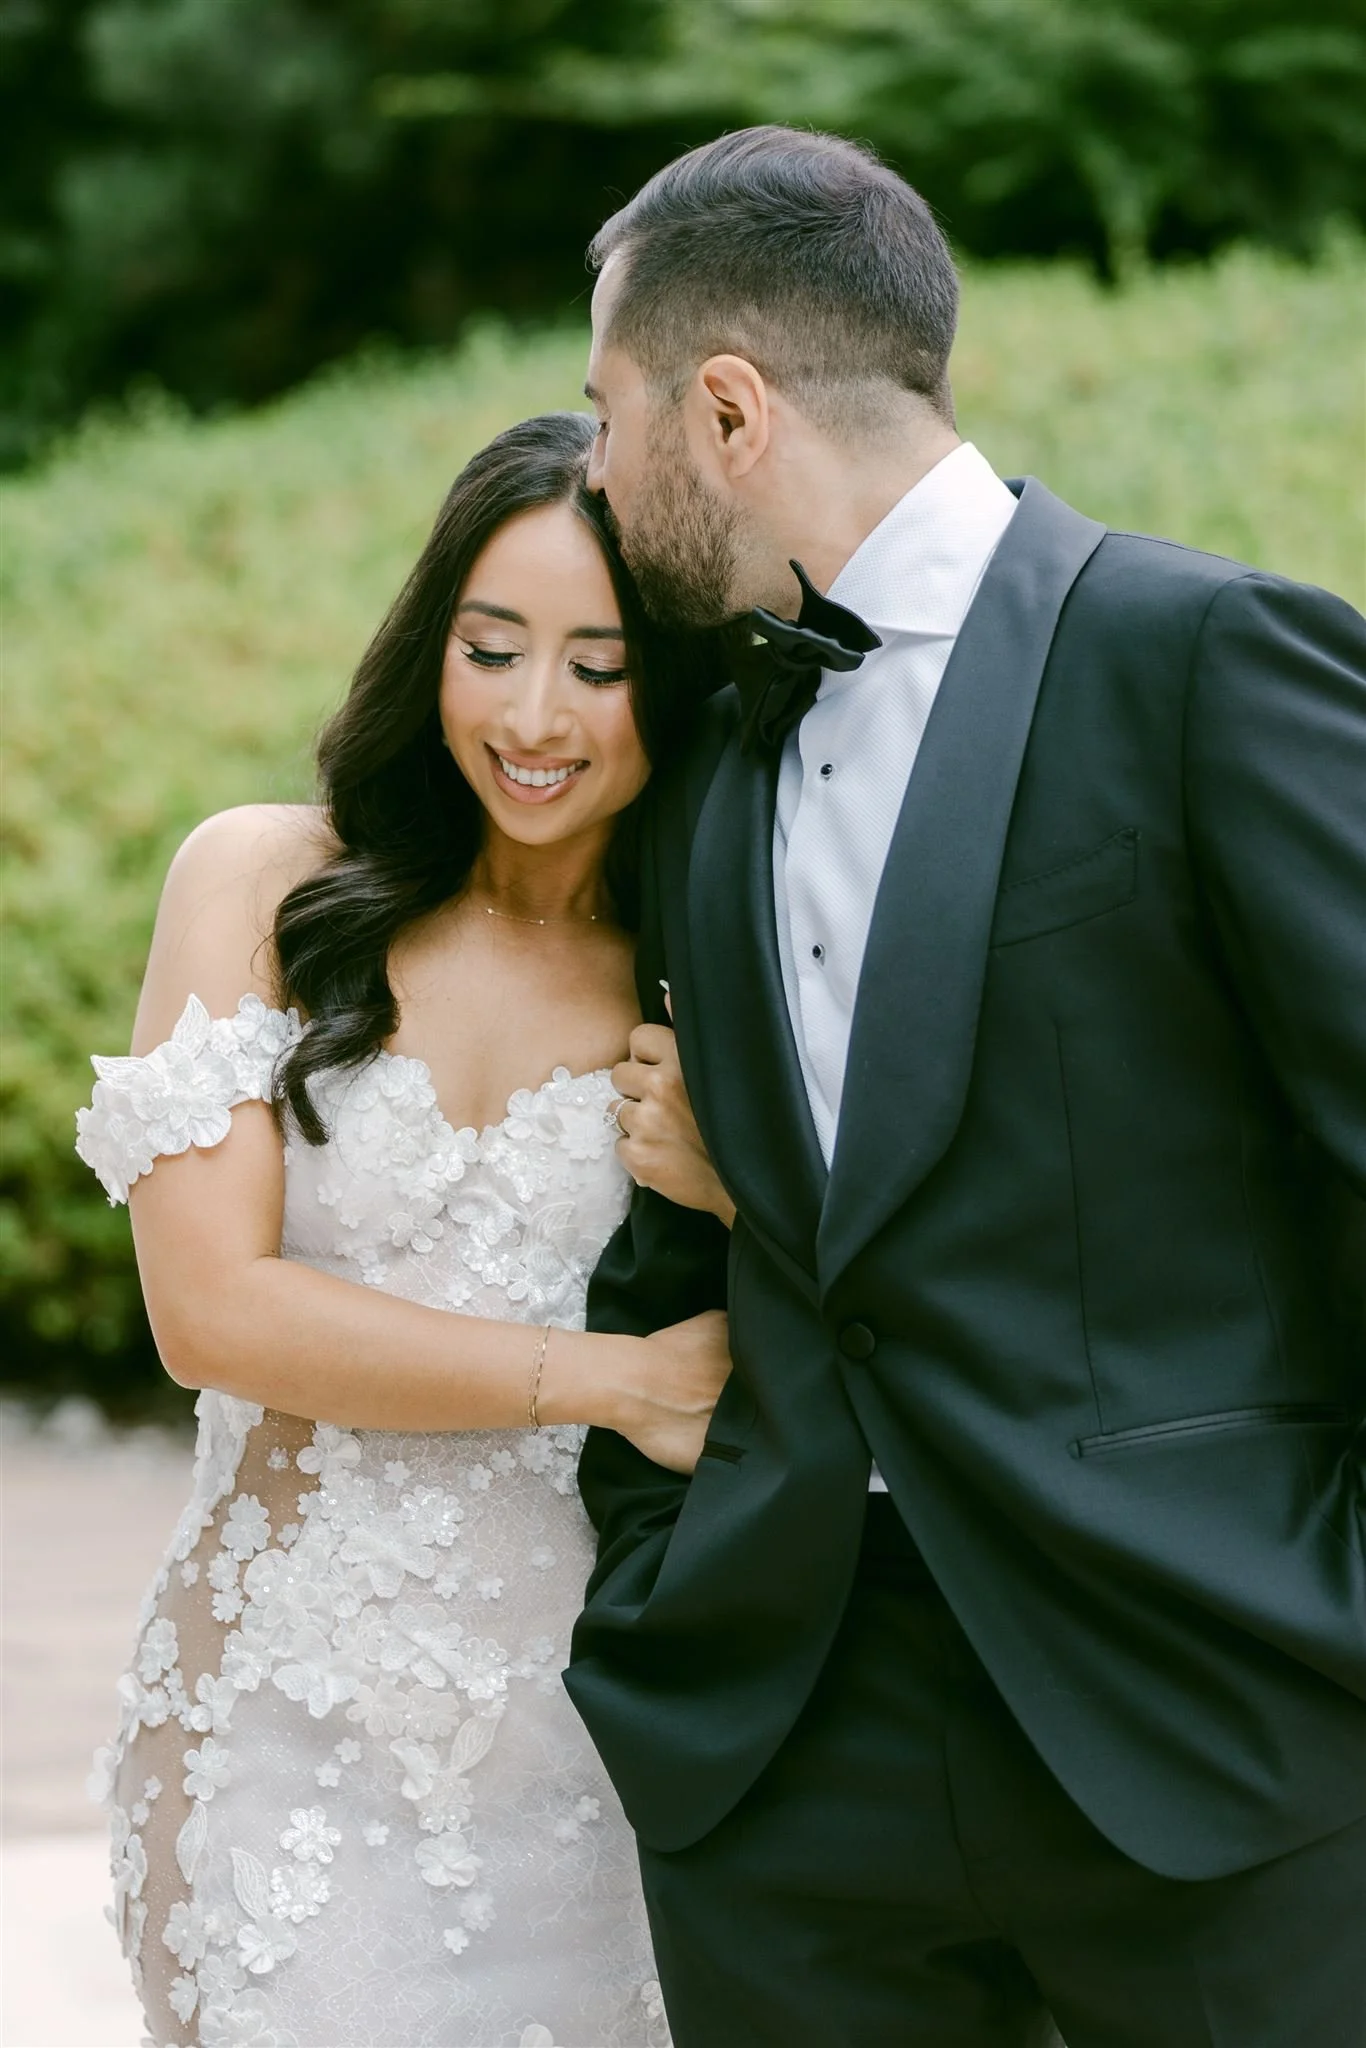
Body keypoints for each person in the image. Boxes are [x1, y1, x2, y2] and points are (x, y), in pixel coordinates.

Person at [569, 126, 1366, 2047]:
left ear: (729, 407)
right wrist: (655, 1568)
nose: (594, 468)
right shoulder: (709, 761)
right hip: (782, 1741)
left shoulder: (1202, 658)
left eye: (607, 412)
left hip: (1206, 1720)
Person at [75, 412, 730, 2048]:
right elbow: (212, 1310)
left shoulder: (704, 971)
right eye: (489, 646)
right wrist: (610, 1378)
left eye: (597, 665)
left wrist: (734, 1190)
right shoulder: (264, 889)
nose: (530, 715)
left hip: (599, 1754)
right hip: (283, 1737)